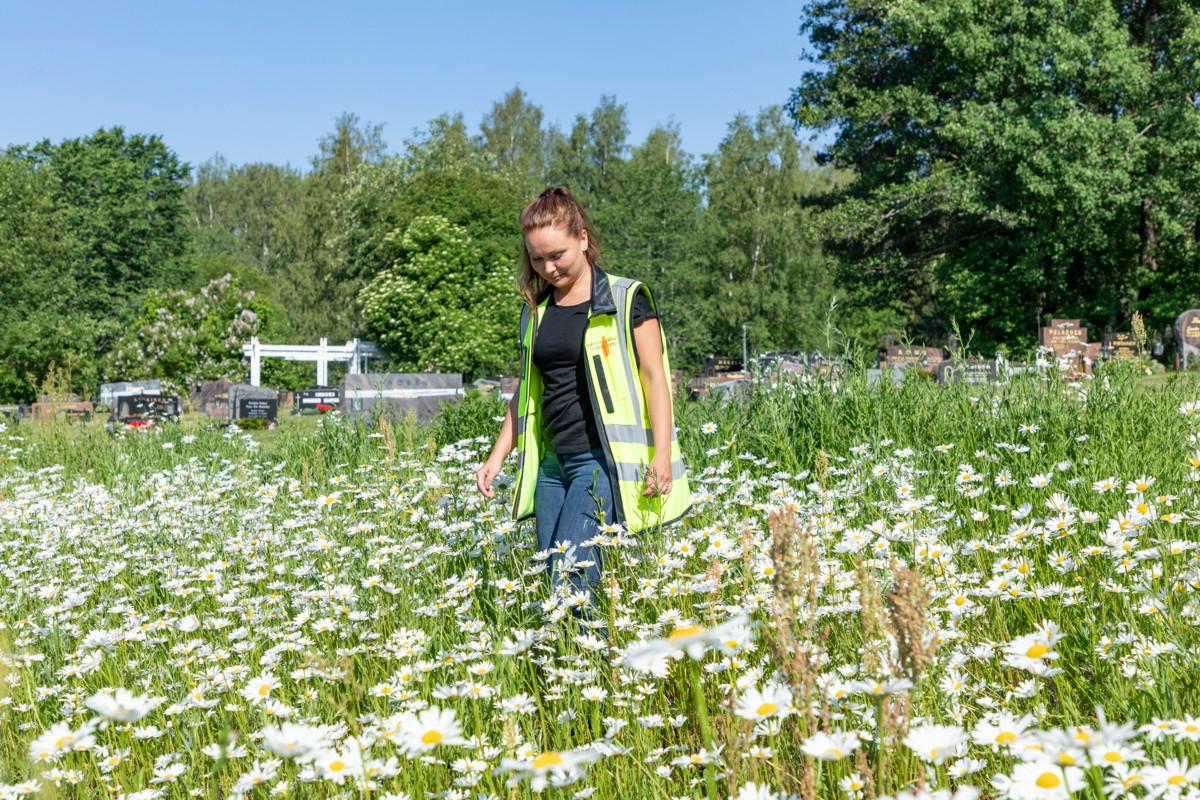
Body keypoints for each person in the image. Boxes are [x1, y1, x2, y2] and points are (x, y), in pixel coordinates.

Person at [475, 185, 692, 608]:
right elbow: (527, 387)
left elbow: (655, 379)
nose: (548, 267)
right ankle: (567, 666)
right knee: (553, 578)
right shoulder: (535, 310)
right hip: (552, 468)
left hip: (599, 462)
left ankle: (592, 667)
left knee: (570, 576)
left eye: (557, 255)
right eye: (537, 258)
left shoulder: (627, 300)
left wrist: (661, 454)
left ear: (583, 240)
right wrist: (498, 454)